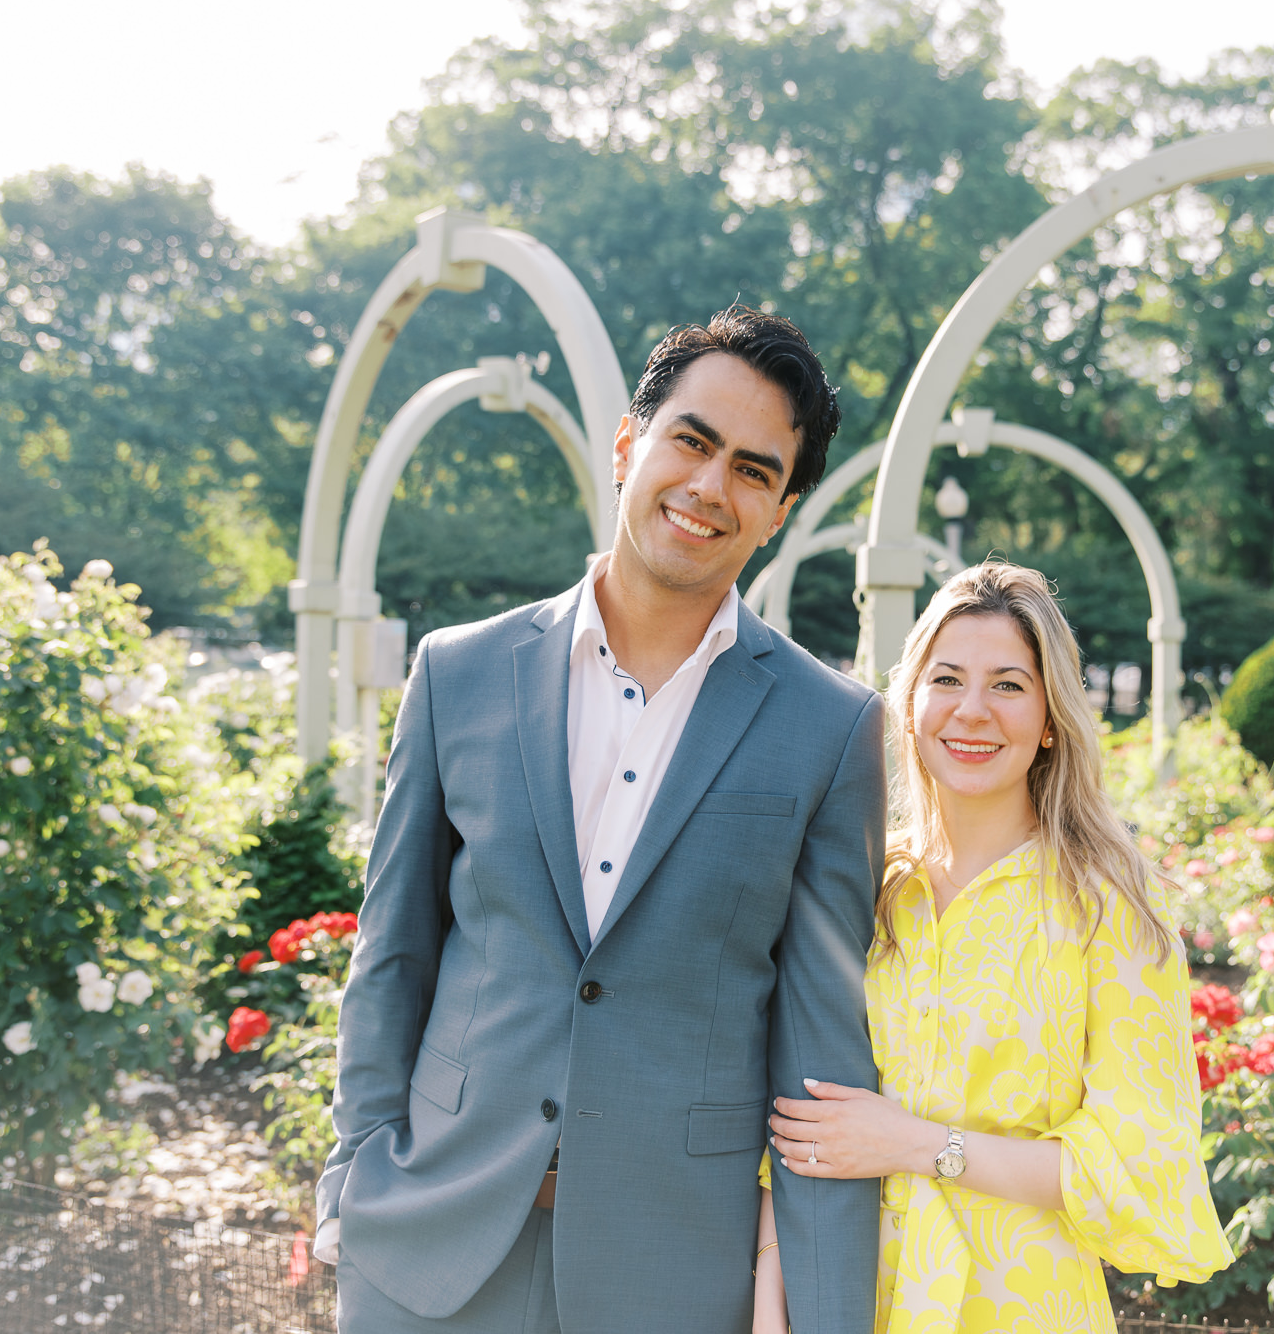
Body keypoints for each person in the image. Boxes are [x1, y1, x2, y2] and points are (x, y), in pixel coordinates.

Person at [315, 306, 885, 1334]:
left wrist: (826, 1305)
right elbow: (392, 953)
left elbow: (820, 1056)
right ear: (629, 444)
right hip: (428, 1250)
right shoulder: (458, 671)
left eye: (753, 471)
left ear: (780, 510)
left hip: (671, 1275)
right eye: (691, 440)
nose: (710, 486)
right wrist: (353, 1181)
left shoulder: (831, 728)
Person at [760, 561, 1234, 1333]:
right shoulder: (859, 885)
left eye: (1009, 685)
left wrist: (918, 1145)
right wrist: (768, 1298)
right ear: (910, 704)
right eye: (946, 679)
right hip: (850, 1295)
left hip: (1024, 1306)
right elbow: (791, 1122)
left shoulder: (1109, 906)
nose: (972, 711)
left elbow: (1136, 1160)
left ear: (1050, 717)